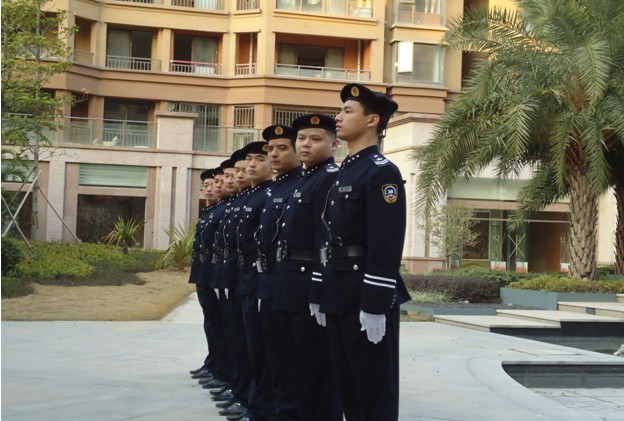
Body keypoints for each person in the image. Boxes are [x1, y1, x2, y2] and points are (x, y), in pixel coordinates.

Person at [312, 83, 410, 421]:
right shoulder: (345, 172)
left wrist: (375, 304)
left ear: (372, 120)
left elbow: (386, 242)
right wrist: (321, 291)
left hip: (363, 296)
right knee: (349, 389)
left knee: (373, 392)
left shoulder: (382, 172)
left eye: (347, 111)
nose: (337, 117)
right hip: (339, 292)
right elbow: (327, 237)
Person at [270, 114, 343, 421]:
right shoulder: (304, 177)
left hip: (306, 285)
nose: (306, 144)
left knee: (315, 368)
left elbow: (324, 239)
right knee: (290, 363)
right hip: (288, 283)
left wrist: (318, 288)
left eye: (315, 139)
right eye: (301, 138)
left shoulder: (329, 178)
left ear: (333, 144)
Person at [255, 124, 303, 421]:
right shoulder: (277, 186)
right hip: (273, 280)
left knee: (294, 362)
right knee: (275, 356)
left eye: (282, 148)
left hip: (294, 282)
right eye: (270, 149)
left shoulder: (303, 183)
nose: (274, 154)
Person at [211, 150, 254, 419]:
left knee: (253, 346)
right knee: (233, 336)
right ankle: (239, 389)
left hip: (254, 280)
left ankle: (249, 397)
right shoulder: (241, 200)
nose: (231, 179)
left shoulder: (262, 195)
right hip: (234, 276)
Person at [234, 141, 275, 421]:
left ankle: (259, 406)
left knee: (262, 349)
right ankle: (251, 401)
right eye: (249, 159)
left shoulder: (269, 194)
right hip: (247, 277)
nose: (251, 164)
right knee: (248, 344)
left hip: (263, 279)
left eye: (259, 158)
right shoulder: (252, 195)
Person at [188, 168, 221, 380]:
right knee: (210, 322)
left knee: (218, 323)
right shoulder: (208, 212)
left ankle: (218, 366)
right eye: (205, 186)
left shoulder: (221, 210)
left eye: (212, 184)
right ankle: (212, 362)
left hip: (214, 272)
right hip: (204, 271)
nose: (209, 189)